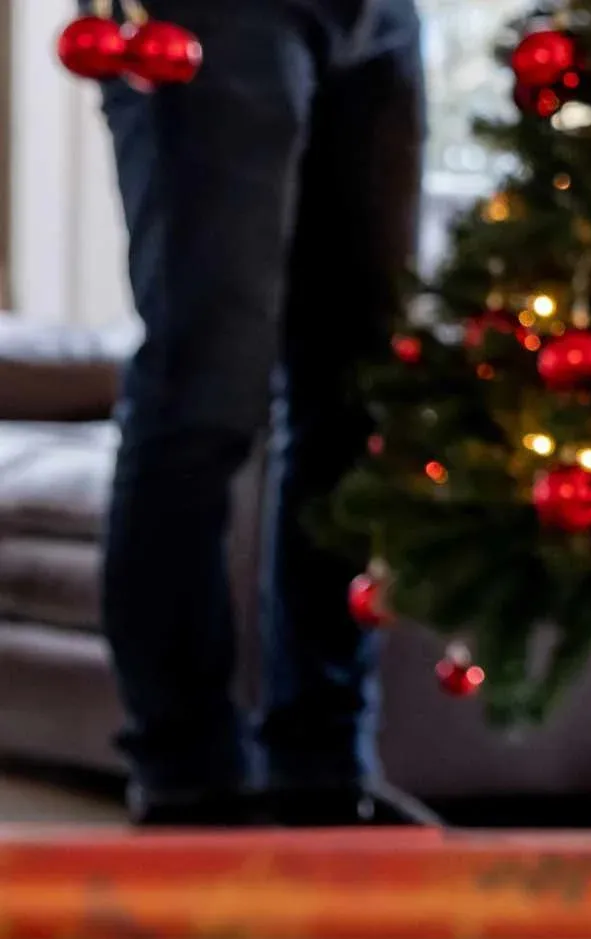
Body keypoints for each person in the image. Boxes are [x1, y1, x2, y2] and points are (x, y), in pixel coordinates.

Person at [97, 0, 428, 825]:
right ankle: (187, 771)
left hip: (381, 17)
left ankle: (323, 763)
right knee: (204, 393)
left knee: (356, 402)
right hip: (210, 15)